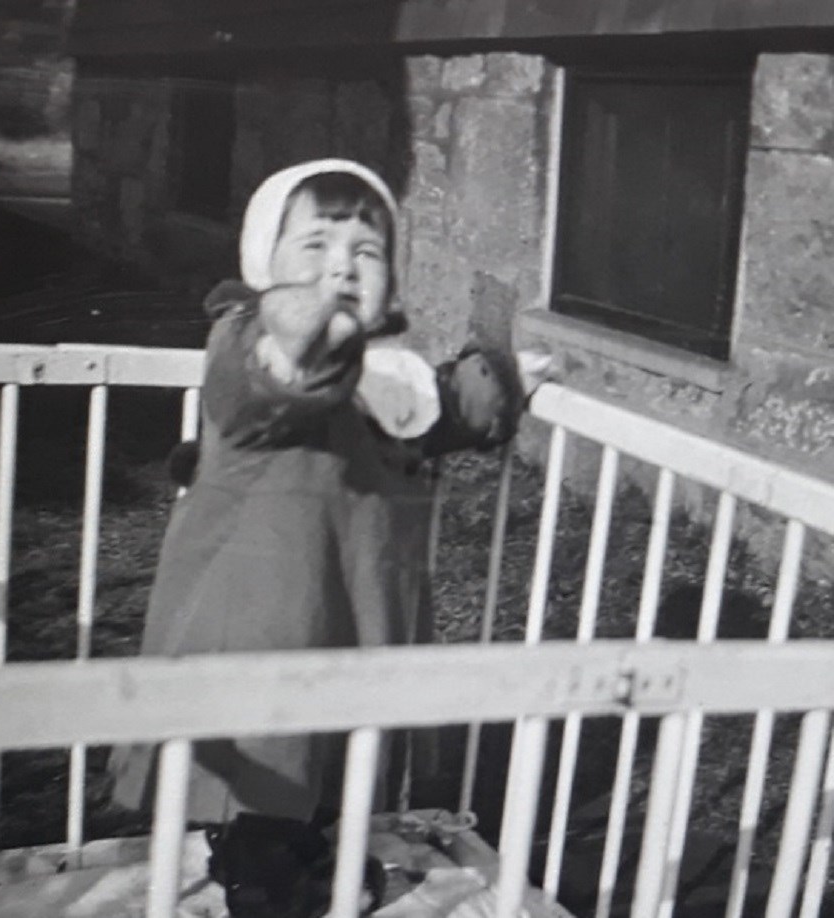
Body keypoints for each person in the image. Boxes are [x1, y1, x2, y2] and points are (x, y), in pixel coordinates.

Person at [108, 159, 546, 916]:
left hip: (353, 606)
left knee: (334, 752)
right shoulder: (244, 342)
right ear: (261, 265)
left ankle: (307, 853)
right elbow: (262, 389)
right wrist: (292, 339)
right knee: (266, 762)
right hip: (265, 613)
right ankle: (262, 884)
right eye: (314, 247)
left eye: (367, 251)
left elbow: (444, 412)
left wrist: (507, 379)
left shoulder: (390, 373)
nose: (341, 265)